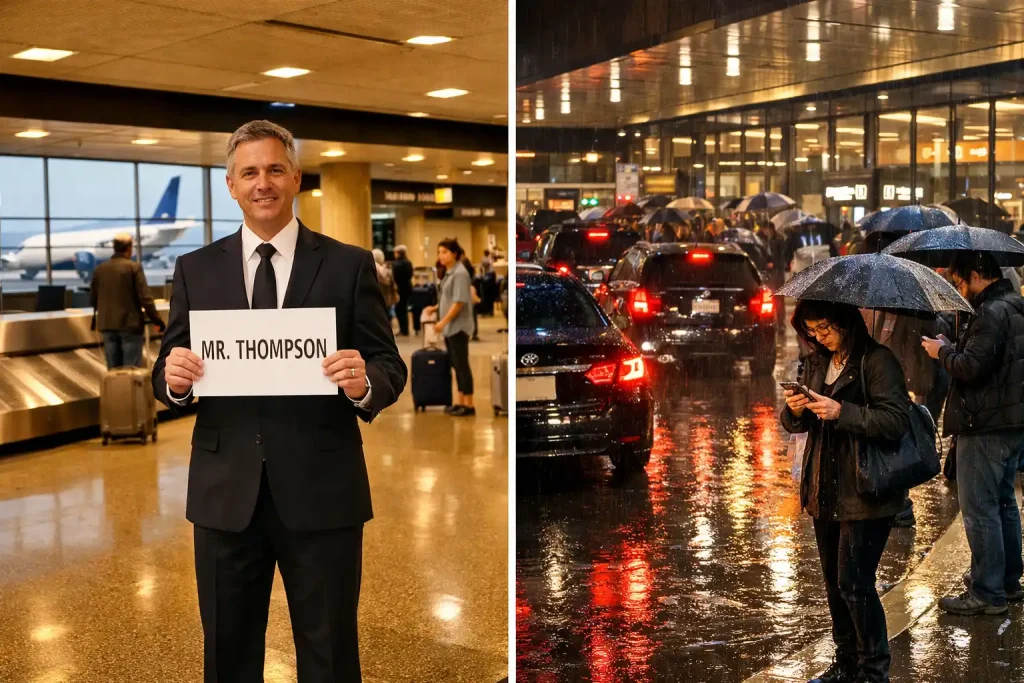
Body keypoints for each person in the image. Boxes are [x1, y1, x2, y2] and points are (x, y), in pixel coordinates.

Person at [152, 119, 407, 681]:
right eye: (249, 172)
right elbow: (168, 368)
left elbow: (390, 363)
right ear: (231, 185)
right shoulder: (195, 269)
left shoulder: (347, 265)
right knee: (228, 649)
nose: (261, 182)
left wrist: (366, 384)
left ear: (296, 178)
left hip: (323, 490)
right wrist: (175, 380)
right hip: (224, 494)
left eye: (273, 169)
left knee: (330, 649)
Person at [782, 301, 911, 683]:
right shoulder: (817, 361)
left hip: (865, 491)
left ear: (845, 322)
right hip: (825, 486)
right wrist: (795, 410)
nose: (818, 337)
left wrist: (843, 412)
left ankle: (873, 671)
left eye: (824, 328)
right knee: (834, 585)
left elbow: (896, 420)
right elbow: (793, 423)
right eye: (812, 331)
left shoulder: (878, 361)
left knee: (855, 584)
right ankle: (847, 663)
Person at [922, 251, 1024, 616]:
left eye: (959, 281)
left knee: (980, 509)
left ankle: (987, 592)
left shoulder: (991, 314)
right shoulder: (1014, 304)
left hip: (985, 425)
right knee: (1003, 504)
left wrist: (943, 351)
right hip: (1010, 422)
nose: (957, 288)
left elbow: (971, 367)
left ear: (978, 274)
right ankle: (1007, 580)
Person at [90, 233, 165, 368]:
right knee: (131, 370)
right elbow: (145, 298)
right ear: (129, 248)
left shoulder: (100, 269)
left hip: (107, 325)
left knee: (113, 369)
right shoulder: (133, 267)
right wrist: (158, 321)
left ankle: (115, 390)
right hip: (130, 325)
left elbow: (92, 299)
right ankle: (130, 390)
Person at [423, 238, 476, 416]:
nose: (441, 256)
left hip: (458, 327)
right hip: (450, 327)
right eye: (439, 252)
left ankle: (469, 404)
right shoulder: (449, 272)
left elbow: (459, 302)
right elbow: (448, 298)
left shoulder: (460, 273)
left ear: (454, 253)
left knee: (462, 365)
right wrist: (435, 308)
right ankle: (460, 402)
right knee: (455, 364)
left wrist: (442, 322)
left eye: (444, 252)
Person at [372, 248, 399, 326]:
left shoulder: (373, 267)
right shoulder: (385, 269)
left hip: (378, 297)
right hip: (387, 296)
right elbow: (390, 281)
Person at [391, 245, 413, 337]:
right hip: (408, 287)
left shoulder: (396, 264)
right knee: (404, 308)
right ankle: (405, 329)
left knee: (399, 309)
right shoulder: (408, 263)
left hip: (399, 289)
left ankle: (403, 329)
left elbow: (394, 277)